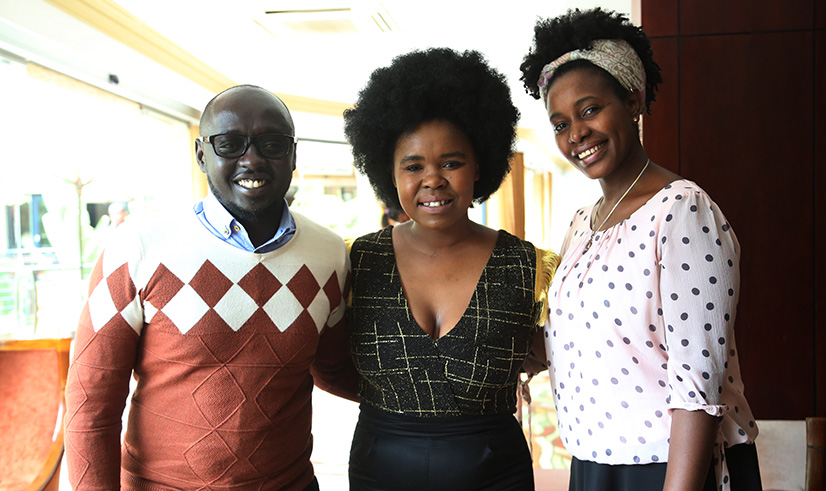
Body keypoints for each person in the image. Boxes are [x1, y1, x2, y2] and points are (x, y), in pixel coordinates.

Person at [64, 85, 357, 490]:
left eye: (271, 143)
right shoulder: (137, 247)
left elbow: (335, 367)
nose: (251, 159)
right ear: (202, 154)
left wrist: (436, 404)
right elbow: (90, 401)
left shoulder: (328, 254)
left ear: (292, 155)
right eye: (230, 144)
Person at [519, 8, 762, 491]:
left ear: (632, 101)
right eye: (560, 123)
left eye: (589, 110)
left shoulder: (681, 211)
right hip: (594, 462)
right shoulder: (581, 226)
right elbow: (575, 342)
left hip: (670, 466)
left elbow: (698, 386)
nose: (576, 135)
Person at [342, 48, 559, 491]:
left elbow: (551, 351)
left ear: (479, 164)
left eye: (452, 162)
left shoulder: (527, 265)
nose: (433, 179)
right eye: (414, 165)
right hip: (378, 471)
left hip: (495, 474)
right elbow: (328, 362)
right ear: (389, 172)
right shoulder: (357, 261)